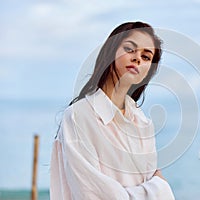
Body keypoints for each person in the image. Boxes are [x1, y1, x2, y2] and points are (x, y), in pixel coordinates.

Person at [50, 21, 175, 199]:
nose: (138, 58)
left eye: (146, 57)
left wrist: (154, 187)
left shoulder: (142, 122)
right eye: (130, 49)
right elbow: (91, 195)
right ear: (110, 52)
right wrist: (159, 188)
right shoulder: (79, 116)